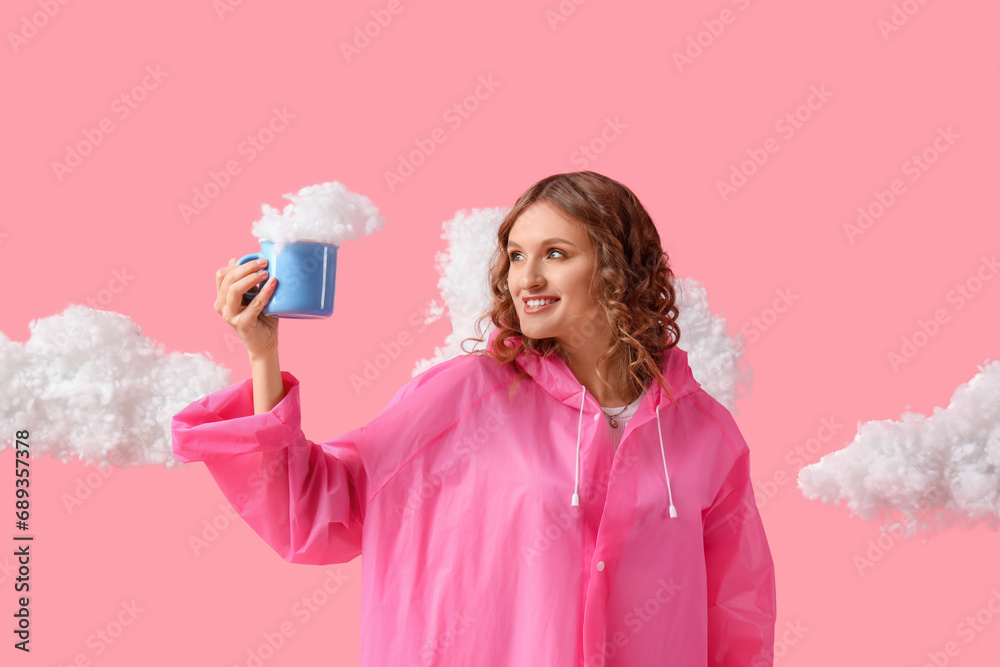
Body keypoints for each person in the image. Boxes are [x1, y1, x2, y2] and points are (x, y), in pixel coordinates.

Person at [172, 171, 777, 666]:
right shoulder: (464, 398)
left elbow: (737, 615)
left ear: (621, 270)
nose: (527, 279)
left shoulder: (705, 432)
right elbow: (317, 507)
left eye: (556, 254)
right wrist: (263, 355)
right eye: (516, 256)